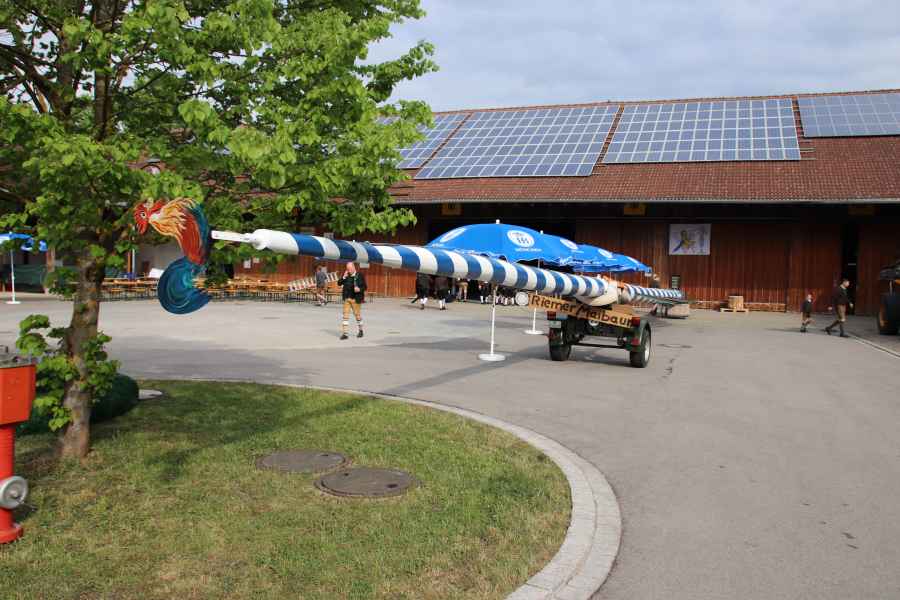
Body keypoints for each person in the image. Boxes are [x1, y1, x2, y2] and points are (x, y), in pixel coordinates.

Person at [337, 262, 366, 340]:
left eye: (349, 269)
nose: (348, 270)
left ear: (353, 267)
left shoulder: (359, 275)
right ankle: (345, 334)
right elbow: (339, 283)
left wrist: (359, 289)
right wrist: (343, 277)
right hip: (347, 298)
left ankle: (361, 330)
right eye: (347, 269)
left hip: (355, 299)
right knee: (345, 316)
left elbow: (365, 286)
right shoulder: (346, 275)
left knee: (357, 315)